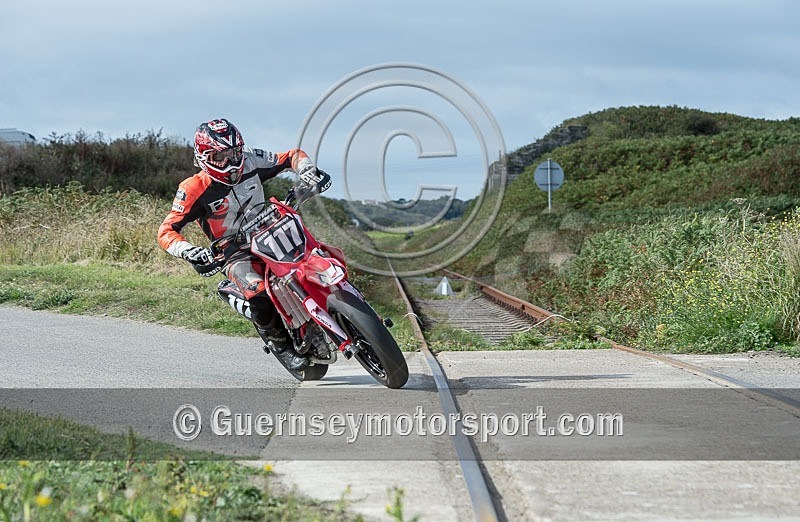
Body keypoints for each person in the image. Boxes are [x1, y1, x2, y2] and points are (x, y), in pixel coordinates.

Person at [157, 118, 330, 371]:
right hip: (233, 251)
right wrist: (189, 251)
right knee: (258, 291)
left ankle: (342, 308)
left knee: (317, 257)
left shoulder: (252, 159)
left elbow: (291, 155)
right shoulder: (192, 189)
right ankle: (280, 343)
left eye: (235, 152)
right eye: (220, 157)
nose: (231, 162)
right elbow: (166, 230)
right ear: (203, 158)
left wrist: (306, 169)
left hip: (271, 230)